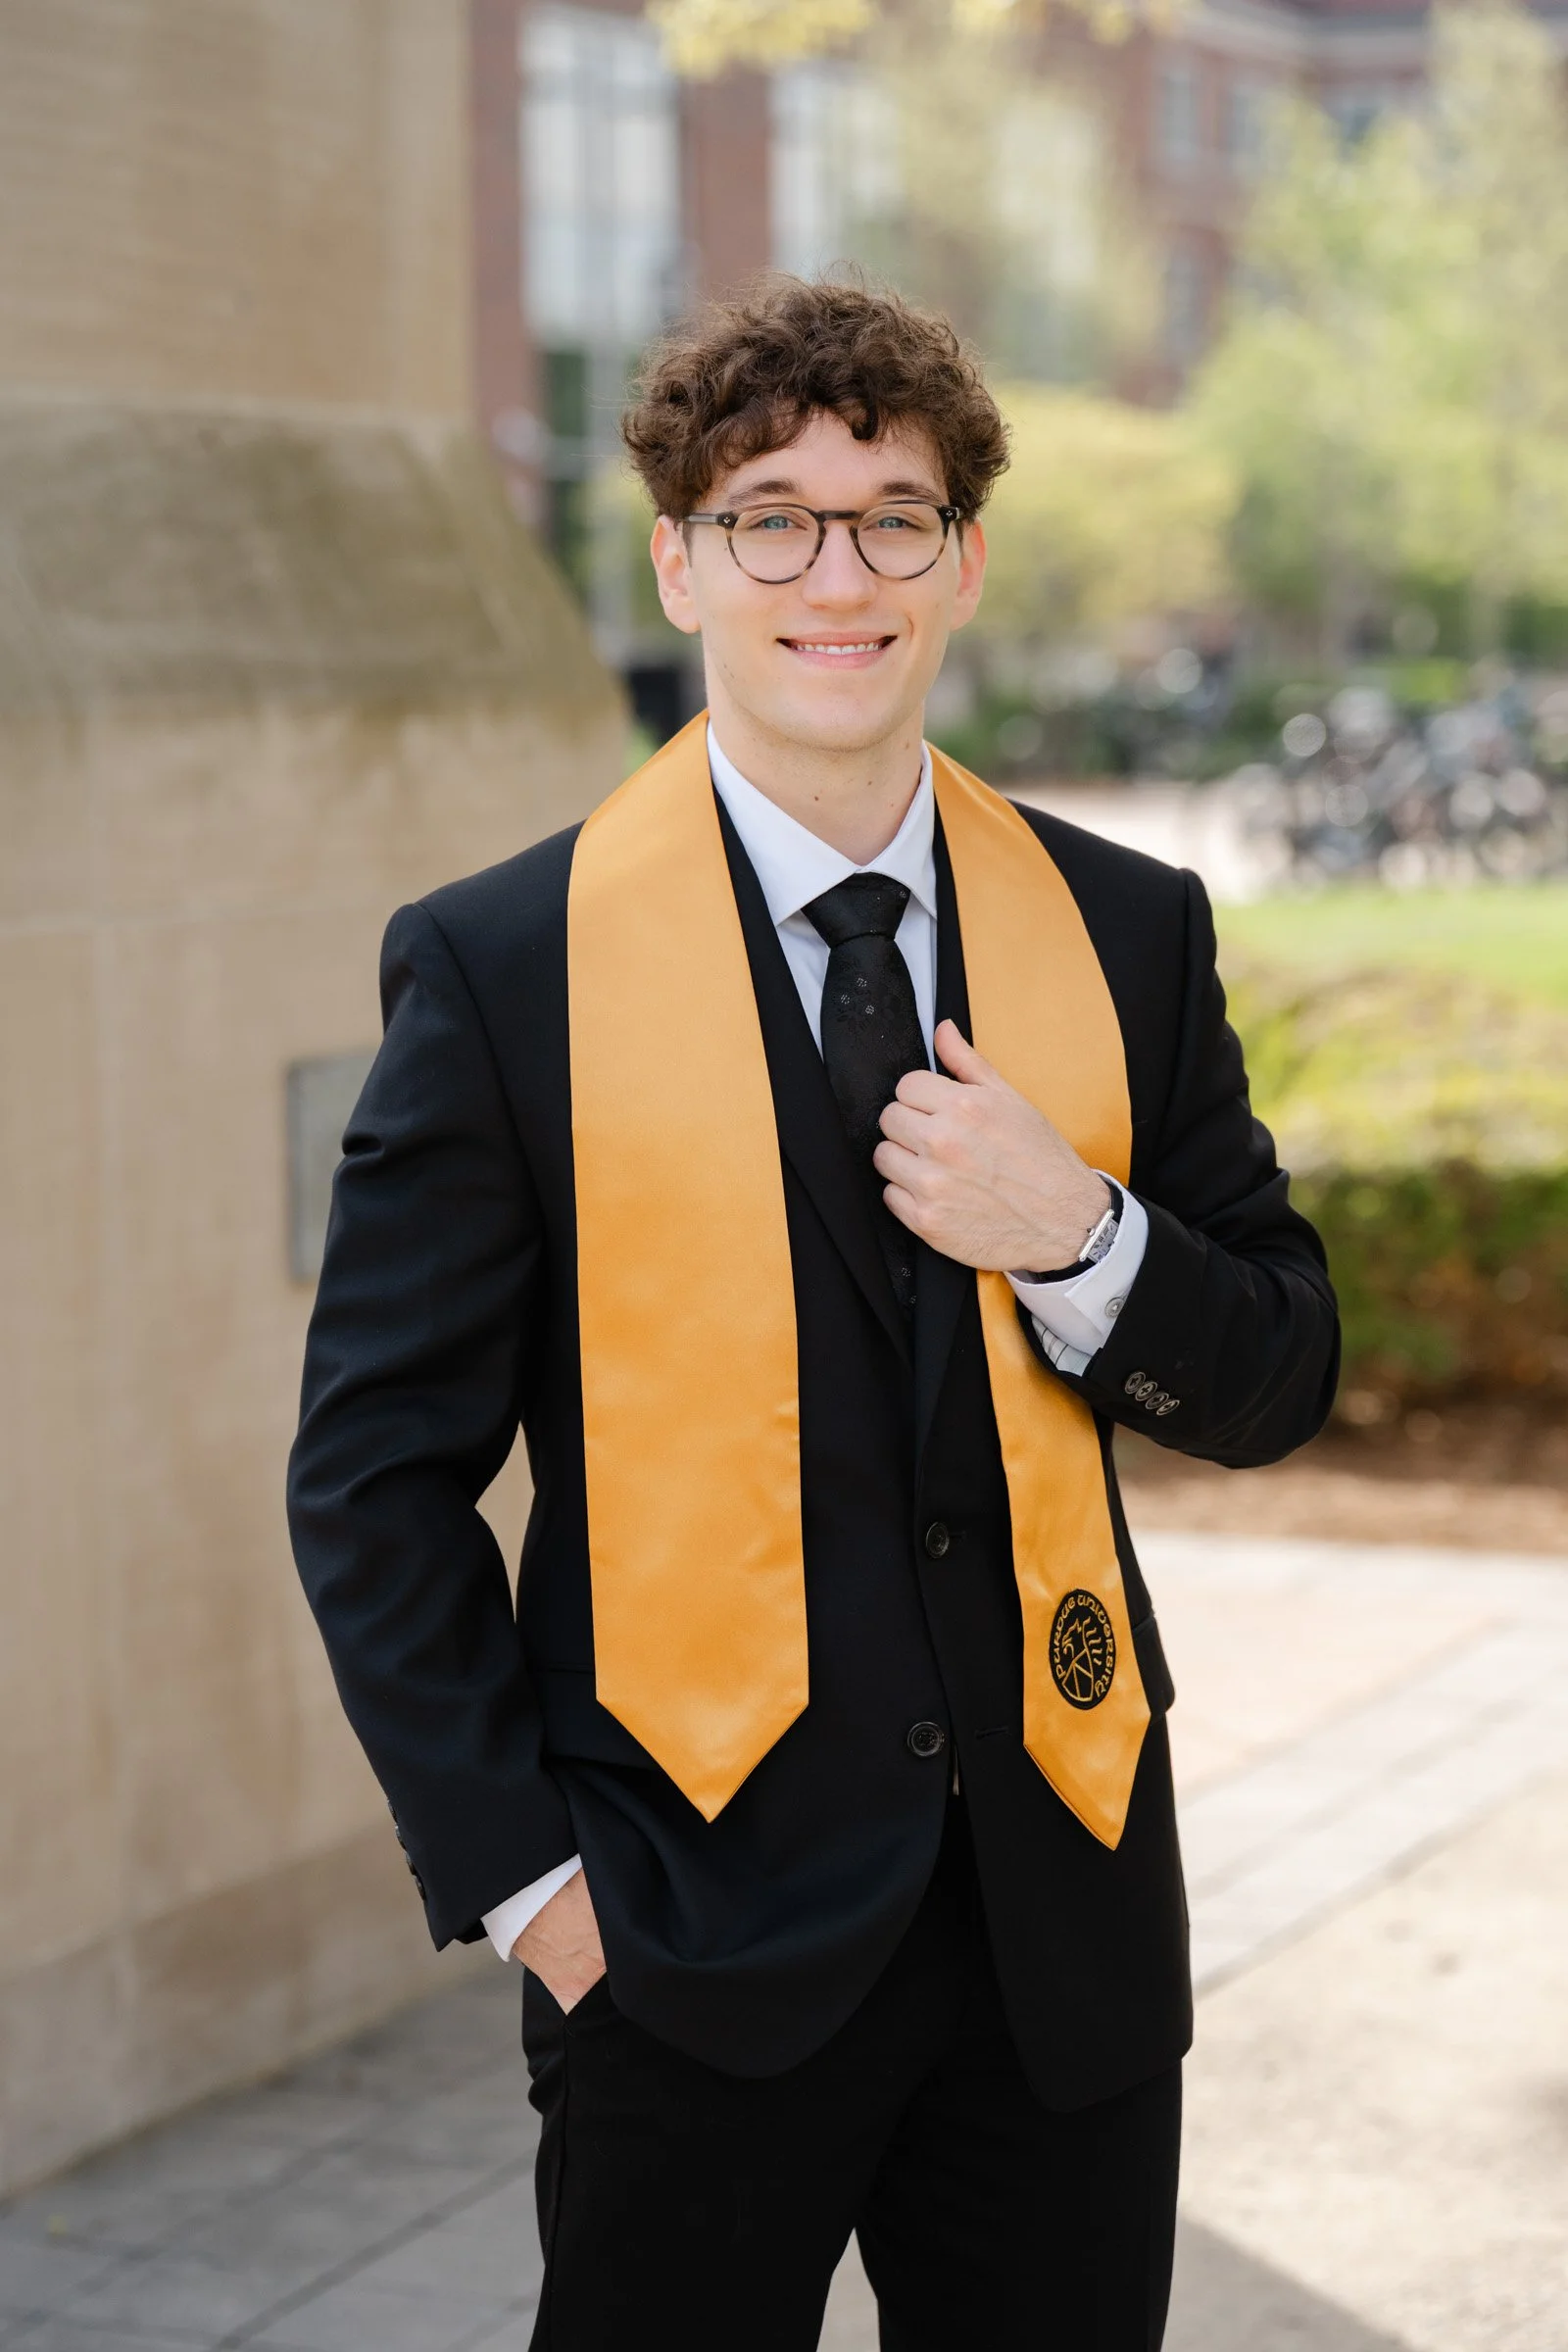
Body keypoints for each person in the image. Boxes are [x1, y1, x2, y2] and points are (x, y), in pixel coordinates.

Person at [287, 275, 1338, 2352]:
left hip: (1062, 1946)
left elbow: (1278, 1367)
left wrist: (1076, 1237)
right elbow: (373, 1483)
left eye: (891, 517)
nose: (830, 572)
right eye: (770, 515)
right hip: (677, 1941)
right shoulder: (511, 971)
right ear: (679, 558)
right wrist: (533, 1894)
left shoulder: (1126, 932)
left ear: (962, 566)